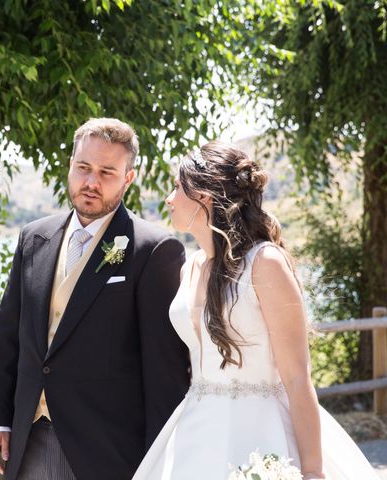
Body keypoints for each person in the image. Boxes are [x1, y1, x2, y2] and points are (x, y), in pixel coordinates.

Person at [133, 141, 378, 479]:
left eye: (177, 187)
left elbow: (296, 378)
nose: (169, 199)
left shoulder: (264, 263)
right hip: (195, 430)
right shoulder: (189, 268)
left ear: (204, 195)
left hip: (263, 431)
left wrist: (313, 471)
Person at [0, 118, 190, 480]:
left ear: (128, 178)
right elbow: (9, 338)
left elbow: (164, 373)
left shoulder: (154, 250)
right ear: (71, 166)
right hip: (29, 438)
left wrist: (159, 462)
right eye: (83, 168)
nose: (91, 182)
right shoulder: (34, 237)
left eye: (107, 172)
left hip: (108, 449)